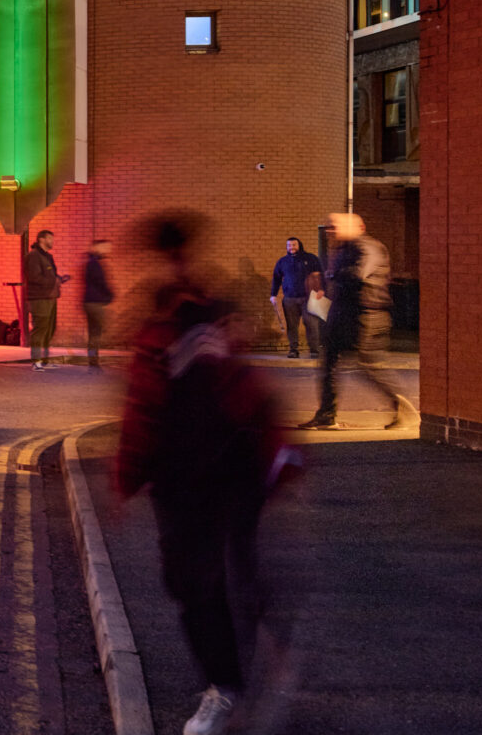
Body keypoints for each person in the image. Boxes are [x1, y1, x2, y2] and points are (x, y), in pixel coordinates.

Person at [114, 209, 298, 735]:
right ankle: (251, 662)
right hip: (229, 465)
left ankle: (227, 685)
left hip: (192, 472)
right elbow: (245, 387)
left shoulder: (171, 319)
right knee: (226, 572)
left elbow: (144, 407)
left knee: (197, 582)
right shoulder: (209, 308)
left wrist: (126, 479)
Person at [306, 212, 402, 430]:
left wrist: (331, 274)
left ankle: (402, 407)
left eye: (335, 226)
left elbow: (359, 274)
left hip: (366, 316)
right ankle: (326, 415)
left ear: (358, 227)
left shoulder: (368, 247)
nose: (331, 230)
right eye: (329, 227)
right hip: (342, 314)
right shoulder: (343, 249)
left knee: (368, 366)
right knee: (328, 363)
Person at [269, 236, 323, 358]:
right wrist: (273, 295)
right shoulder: (282, 262)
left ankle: (314, 351)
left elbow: (321, 274)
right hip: (289, 299)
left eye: (294, 245)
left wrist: (321, 290)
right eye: (289, 245)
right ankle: (293, 350)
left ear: (299, 245)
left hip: (309, 298)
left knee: (312, 325)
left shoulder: (310, 258)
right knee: (292, 326)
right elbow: (276, 279)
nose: (291, 247)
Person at [23, 230, 63, 368]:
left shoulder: (48, 257)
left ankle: (45, 361)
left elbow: (49, 276)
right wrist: (53, 281)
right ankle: (36, 361)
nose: (52, 241)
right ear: (41, 239)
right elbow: (34, 277)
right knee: (40, 329)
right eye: (50, 238)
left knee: (49, 330)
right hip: (39, 298)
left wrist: (59, 279)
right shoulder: (34, 256)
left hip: (51, 297)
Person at [81, 238, 115, 368]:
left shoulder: (92, 262)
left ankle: (93, 360)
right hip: (95, 302)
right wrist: (110, 295)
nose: (108, 250)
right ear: (97, 247)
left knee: (94, 333)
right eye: (106, 247)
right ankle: (93, 361)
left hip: (91, 301)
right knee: (96, 333)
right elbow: (100, 282)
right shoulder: (93, 263)